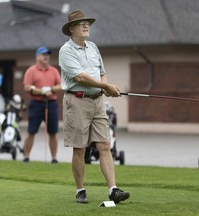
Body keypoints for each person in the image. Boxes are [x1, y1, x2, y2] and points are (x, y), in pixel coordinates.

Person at [59, 10, 130, 204]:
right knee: (80, 148)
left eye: (87, 23)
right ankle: (80, 189)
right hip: (77, 100)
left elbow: (102, 72)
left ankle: (113, 190)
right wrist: (105, 86)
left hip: (97, 101)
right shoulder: (66, 51)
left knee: (105, 145)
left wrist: (105, 87)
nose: (86, 26)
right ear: (71, 29)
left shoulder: (93, 47)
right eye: (81, 23)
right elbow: (80, 77)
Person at [23, 47, 62, 163]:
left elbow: (60, 86)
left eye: (47, 54)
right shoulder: (31, 71)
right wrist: (41, 91)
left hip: (51, 103)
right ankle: (26, 156)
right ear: (37, 57)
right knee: (31, 131)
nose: (46, 56)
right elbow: (27, 87)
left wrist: (50, 89)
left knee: (53, 132)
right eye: (43, 54)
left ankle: (54, 158)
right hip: (36, 103)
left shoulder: (53, 71)